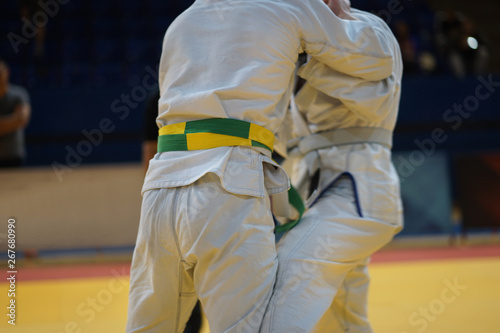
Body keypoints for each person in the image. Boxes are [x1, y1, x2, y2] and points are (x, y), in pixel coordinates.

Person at [126, 0, 395, 332]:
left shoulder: (181, 22)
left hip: (161, 187)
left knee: (148, 325)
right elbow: (378, 59)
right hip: (226, 184)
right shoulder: (290, 7)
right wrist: (333, 14)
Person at [261, 4, 404, 333]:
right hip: (312, 185)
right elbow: (284, 132)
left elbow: (376, 101)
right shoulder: (294, 42)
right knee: (341, 315)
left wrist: (319, 43)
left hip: (357, 187)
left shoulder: (368, 28)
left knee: (291, 270)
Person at [141, 89, 204, 333]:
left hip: (194, 190)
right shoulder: (158, 97)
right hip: (173, 192)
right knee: (179, 281)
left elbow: (148, 153)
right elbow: (149, 152)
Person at [0, 57, 31, 168]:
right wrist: (13, 121)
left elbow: (22, 119)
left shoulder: (19, 94)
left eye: (1, 72)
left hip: (14, 157)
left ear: (7, 72)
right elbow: (18, 120)